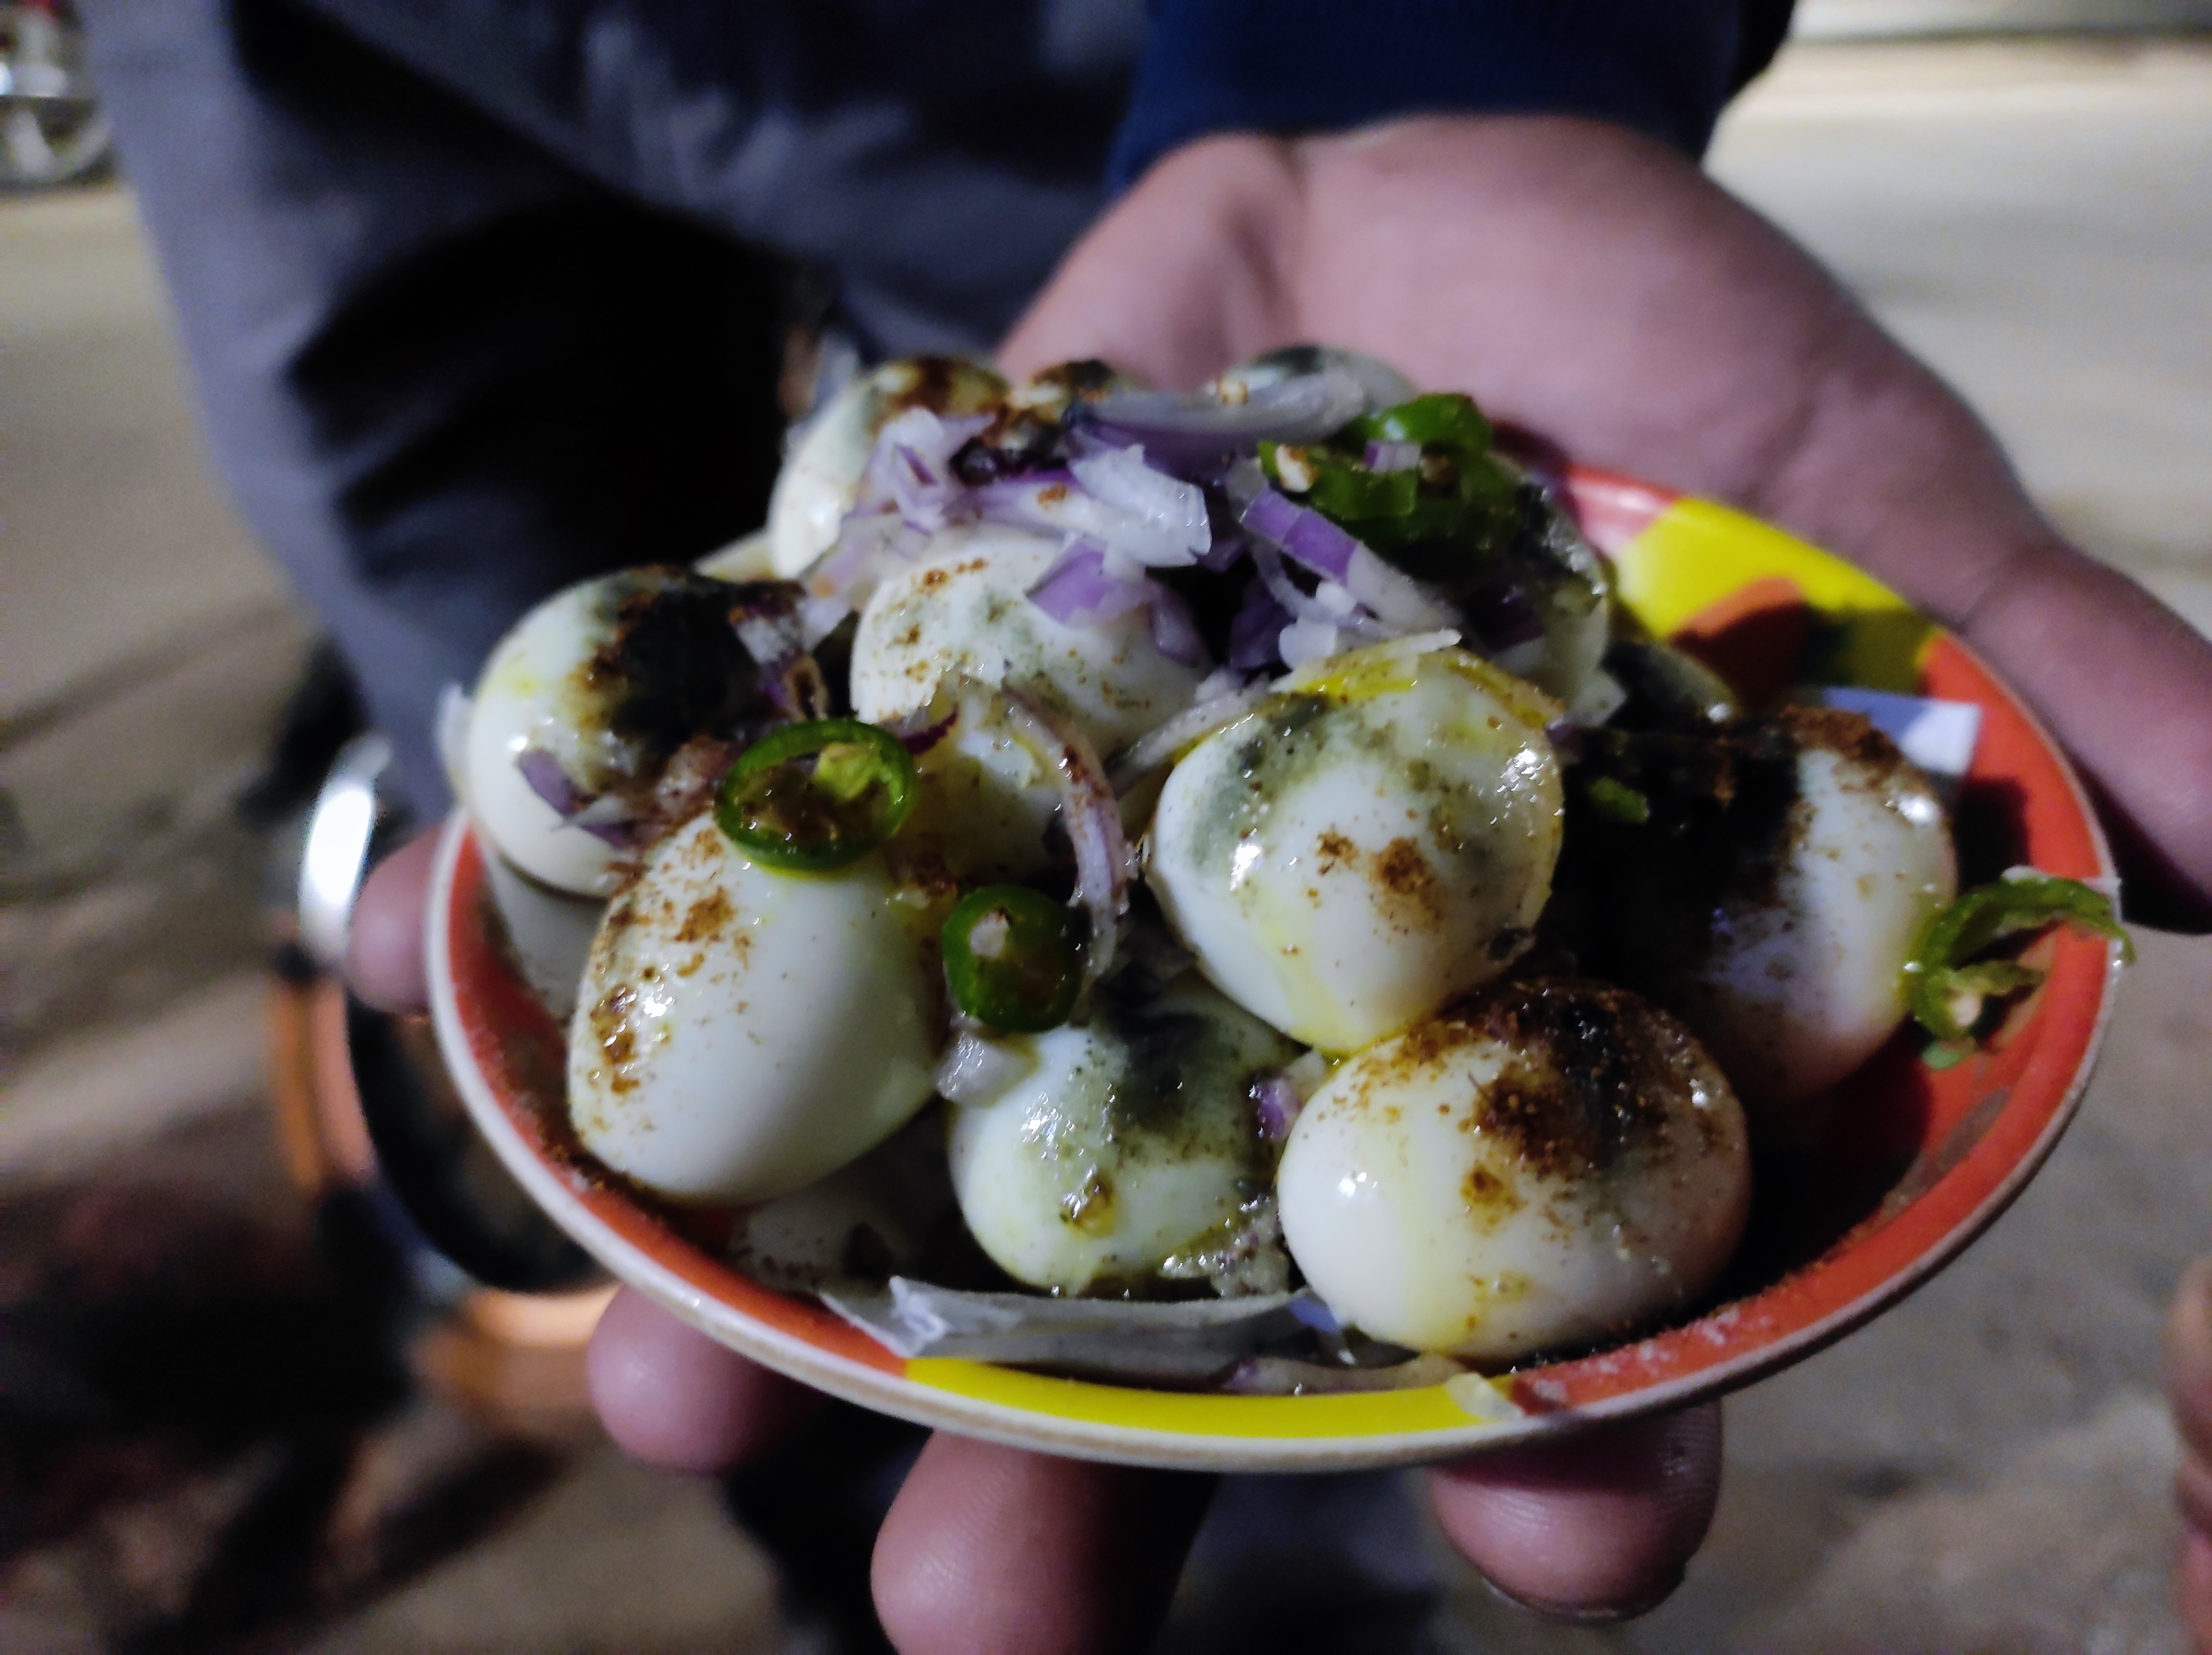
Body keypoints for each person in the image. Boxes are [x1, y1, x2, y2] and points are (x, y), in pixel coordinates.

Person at [83, 0, 2212, 1644]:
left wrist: (1431, 57)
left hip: (1040, 67)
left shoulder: (1469, 741)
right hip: (335, 85)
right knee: (776, 1322)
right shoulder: (934, 687)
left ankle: (1294, 1600)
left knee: (1186, 1505)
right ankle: (852, 1563)